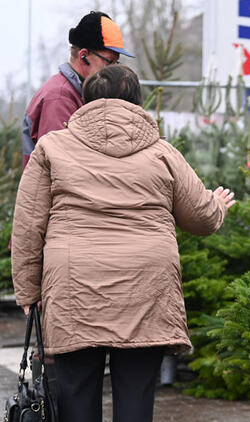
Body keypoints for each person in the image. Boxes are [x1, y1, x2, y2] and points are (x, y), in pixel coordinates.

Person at [11, 64, 236, 422]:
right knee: (136, 391)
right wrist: (219, 205)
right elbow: (201, 218)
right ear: (136, 102)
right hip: (144, 289)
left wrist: (27, 291)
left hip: (74, 286)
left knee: (76, 391)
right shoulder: (162, 152)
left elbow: (27, 225)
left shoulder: (51, 148)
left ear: (85, 102)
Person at [22, 11, 133, 168]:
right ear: (83, 56)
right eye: (109, 62)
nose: (114, 70)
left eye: (117, 62)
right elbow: (59, 166)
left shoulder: (81, 92)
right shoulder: (59, 97)